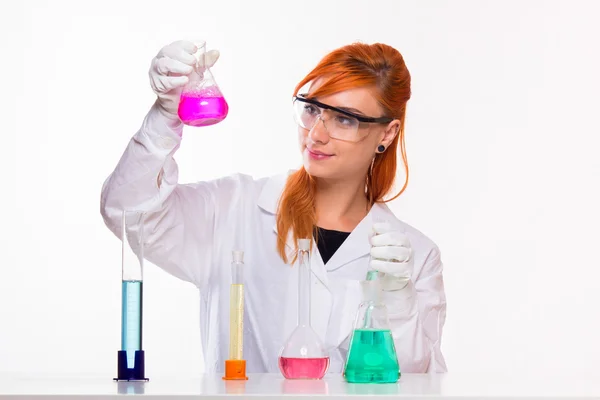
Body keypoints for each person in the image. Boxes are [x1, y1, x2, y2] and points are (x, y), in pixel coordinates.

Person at [100, 40, 448, 374]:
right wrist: (163, 118)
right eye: (312, 110)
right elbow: (128, 212)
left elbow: (422, 381)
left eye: (345, 119)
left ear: (387, 134)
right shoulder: (235, 209)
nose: (316, 134)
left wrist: (399, 303)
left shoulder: (414, 255)